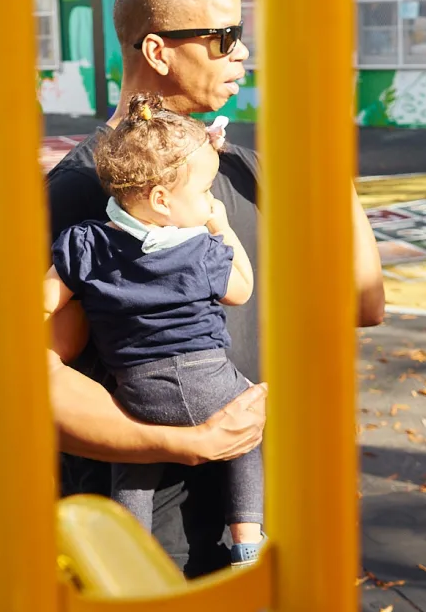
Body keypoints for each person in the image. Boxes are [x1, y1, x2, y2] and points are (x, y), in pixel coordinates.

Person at [45, 0, 387, 576]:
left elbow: (362, 304)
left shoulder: (238, 169)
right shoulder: (82, 192)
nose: (242, 54)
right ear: (158, 51)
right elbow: (35, 382)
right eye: (224, 38)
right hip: (148, 545)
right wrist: (187, 443)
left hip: (253, 523)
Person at [46, 93, 264, 566]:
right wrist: (222, 227)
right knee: (248, 430)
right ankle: (248, 539)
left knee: (131, 471)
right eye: (205, 191)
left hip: (137, 392)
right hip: (210, 382)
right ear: (162, 200)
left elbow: (43, 301)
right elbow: (242, 289)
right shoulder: (198, 251)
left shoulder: (87, 243)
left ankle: (129, 555)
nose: (210, 200)